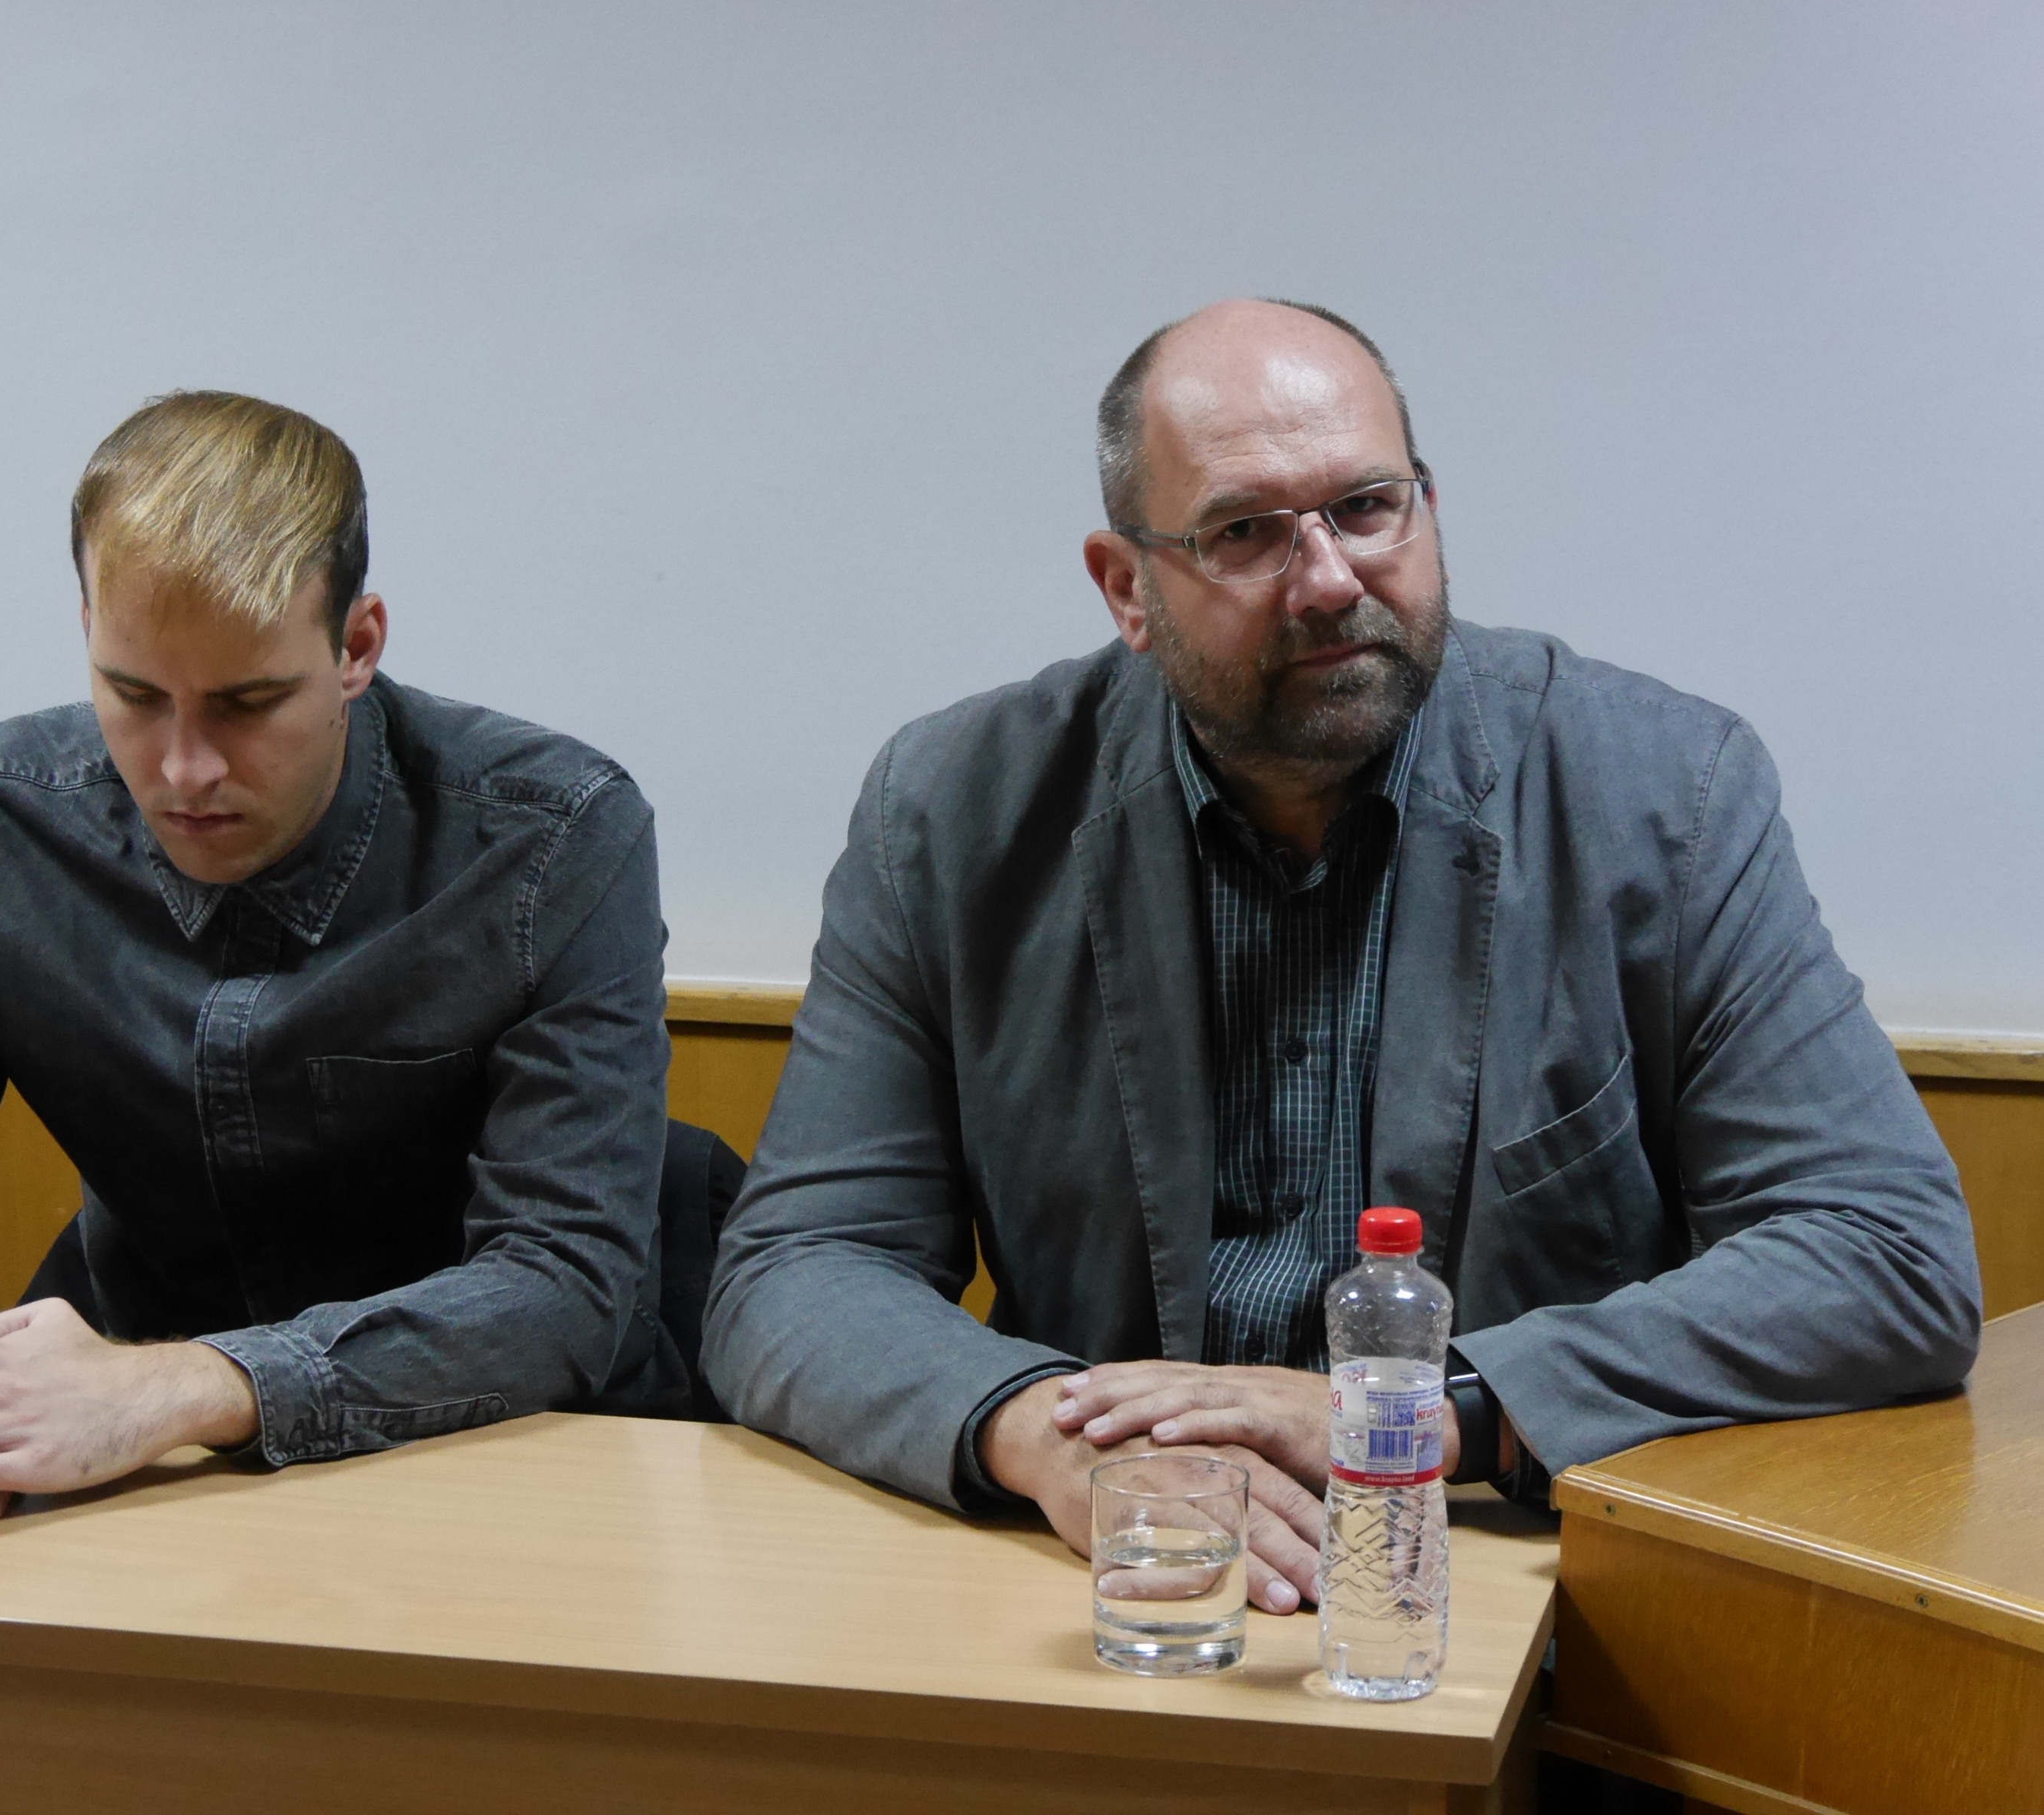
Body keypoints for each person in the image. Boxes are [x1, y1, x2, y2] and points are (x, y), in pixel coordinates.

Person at [702, 299, 1982, 1615]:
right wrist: (1044, 1434)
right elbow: (796, 1267)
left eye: (1367, 508)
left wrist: (1418, 1412)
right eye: (1244, 533)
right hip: (1122, 1585)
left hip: (1510, 1588)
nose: (1326, 579)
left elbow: (1883, 1252)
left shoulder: (1661, 794)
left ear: (1426, 505)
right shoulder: (954, 809)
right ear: (1127, 587)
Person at [0, 391, 678, 1561]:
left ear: (357, 647)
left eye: (247, 703)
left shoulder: (553, 832)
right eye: (133, 695)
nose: (183, 769)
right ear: (87, 628)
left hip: (496, 1449)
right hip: (134, 1468)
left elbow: (561, 1283)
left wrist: (170, 1390)